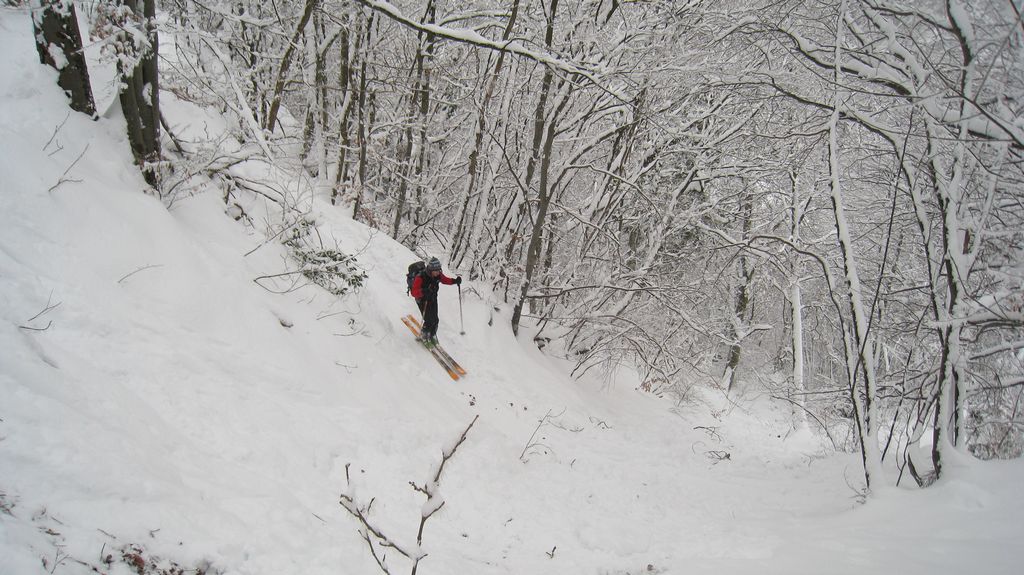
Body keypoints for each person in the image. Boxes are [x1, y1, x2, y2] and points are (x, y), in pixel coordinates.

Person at [410, 257, 461, 345]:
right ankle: (424, 335)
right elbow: (414, 292)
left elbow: (445, 280)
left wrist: (455, 281)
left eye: (439, 270)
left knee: (435, 320)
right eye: (436, 271)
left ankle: (432, 334)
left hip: (433, 299)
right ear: (431, 269)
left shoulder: (438, 275)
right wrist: (424, 292)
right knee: (428, 320)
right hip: (422, 300)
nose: (438, 272)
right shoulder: (421, 277)